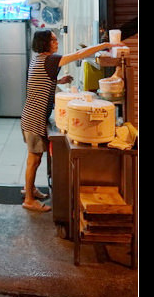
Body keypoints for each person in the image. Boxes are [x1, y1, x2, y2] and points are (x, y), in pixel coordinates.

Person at [20, 30, 122, 213]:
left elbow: (41, 80)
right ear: (45, 43)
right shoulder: (51, 60)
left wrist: (60, 80)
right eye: (53, 39)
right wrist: (106, 45)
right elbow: (78, 55)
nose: (56, 41)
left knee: (35, 157)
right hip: (34, 117)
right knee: (33, 159)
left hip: (31, 115)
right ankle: (28, 199)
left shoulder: (38, 59)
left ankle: (31, 189)